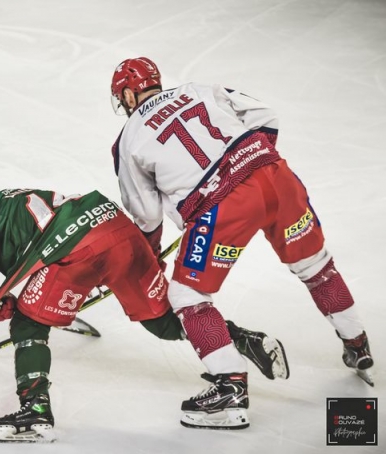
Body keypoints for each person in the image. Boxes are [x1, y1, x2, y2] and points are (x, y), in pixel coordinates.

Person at [109, 57, 374, 430]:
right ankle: (357, 344)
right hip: (276, 176)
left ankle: (229, 387)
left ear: (125, 93)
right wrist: (251, 162)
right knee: (316, 267)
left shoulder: (128, 138)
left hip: (222, 205)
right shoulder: (197, 89)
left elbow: (146, 214)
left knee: (187, 297)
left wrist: (153, 249)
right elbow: (266, 115)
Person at [0, 188, 288, 442]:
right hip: (115, 226)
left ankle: (35, 411)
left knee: (28, 323)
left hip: (74, 248)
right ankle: (242, 339)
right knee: (162, 321)